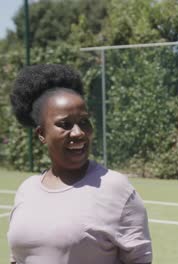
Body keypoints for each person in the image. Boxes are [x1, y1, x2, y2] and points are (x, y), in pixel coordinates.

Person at [7, 64, 153, 264]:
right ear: (41, 134)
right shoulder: (27, 190)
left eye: (84, 122)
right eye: (65, 124)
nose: (78, 132)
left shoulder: (115, 188)